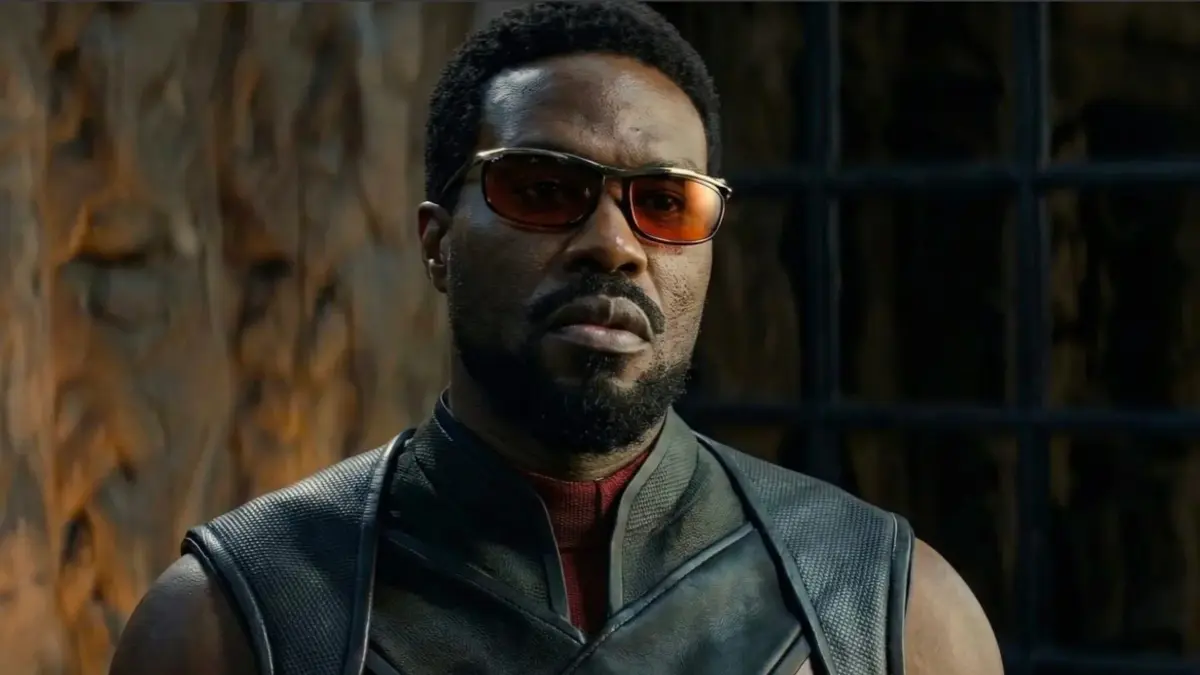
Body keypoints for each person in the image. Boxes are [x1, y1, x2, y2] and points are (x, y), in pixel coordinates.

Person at [110, 2, 1003, 674]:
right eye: (542, 190)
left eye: (666, 203)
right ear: (437, 243)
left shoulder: (884, 611)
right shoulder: (238, 618)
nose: (613, 245)